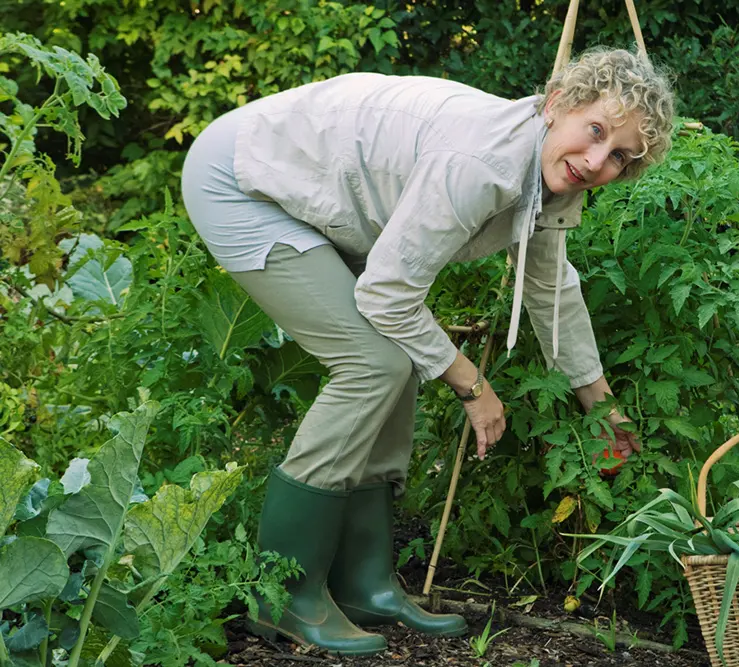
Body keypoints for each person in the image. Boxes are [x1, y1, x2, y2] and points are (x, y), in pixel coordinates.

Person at [181, 46, 674, 656]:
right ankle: (284, 594)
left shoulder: (553, 173)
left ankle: (364, 585)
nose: (597, 160)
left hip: (322, 197)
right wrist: (473, 386)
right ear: (556, 105)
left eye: (620, 155)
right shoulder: (481, 162)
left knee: (399, 364)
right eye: (595, 131)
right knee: (374, 364)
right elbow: (388, 294)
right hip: (245, 179)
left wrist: (601, 405)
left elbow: (551, 287)